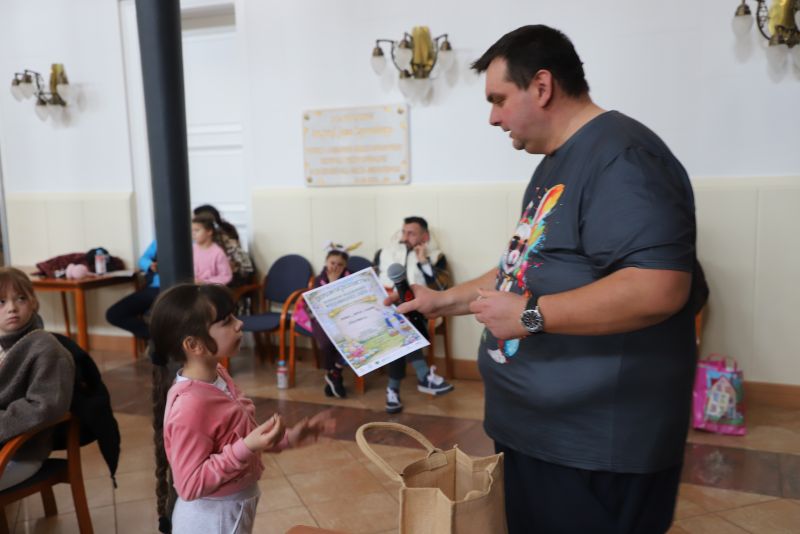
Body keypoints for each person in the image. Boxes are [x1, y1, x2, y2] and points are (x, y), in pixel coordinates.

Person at [395, 25, 703, 533]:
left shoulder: (625, 157)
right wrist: (442, 301)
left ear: (541, 87)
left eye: (498, 99)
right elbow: (524, 265)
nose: (492, 117)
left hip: (594, 447)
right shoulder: (554, 161)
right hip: (537, 431)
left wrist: (531, 316)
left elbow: (659, 287)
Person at [149, 283, 335, 534]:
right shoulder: (191, 405)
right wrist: (247, 447)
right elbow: (190, 485)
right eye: (226, 321)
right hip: (212, 522)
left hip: (232, 510)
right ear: (193, 345)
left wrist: (288, 438)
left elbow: (237, 438)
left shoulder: (218, 374)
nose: (239, 324)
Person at [0, 267, 75, 491]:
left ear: (33, 301)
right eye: (1, 302)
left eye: (20, 298)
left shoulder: (46, 348)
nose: (11, 308)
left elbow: (45, 407)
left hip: (20, 455)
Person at [373, 216, 454, 414]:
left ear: (424, 236)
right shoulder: (385, 254)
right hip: (386, 308)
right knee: (397, 324)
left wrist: (424, 262)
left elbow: (442, 288)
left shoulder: (436, 257)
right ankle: (423, 375)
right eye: (404, 232)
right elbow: (372, 281)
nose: (405, 237)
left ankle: (393, 389)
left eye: (411, 233)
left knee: (400, 326)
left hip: (420, 311)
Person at [106, 239, 159, 342]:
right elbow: (142, 260)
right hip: (155, 288)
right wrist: (150, 265)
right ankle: (157, 336)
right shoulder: (159, 241)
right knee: (113, 314)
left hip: (179, 288)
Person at [193, 204, 254, 286]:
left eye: (197, 230)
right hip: (223, 272)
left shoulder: (220, 236)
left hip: (240, 271)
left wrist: (205, 281)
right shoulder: (197, 246)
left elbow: (231, 265)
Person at [192, 214, 233, 286]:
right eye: (192, 231)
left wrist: (205, 282)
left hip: (210, 289)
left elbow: (225, 276)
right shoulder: (192, 250)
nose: (193, 234)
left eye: (197, 230)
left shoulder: (218, 253)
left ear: (209, 232)